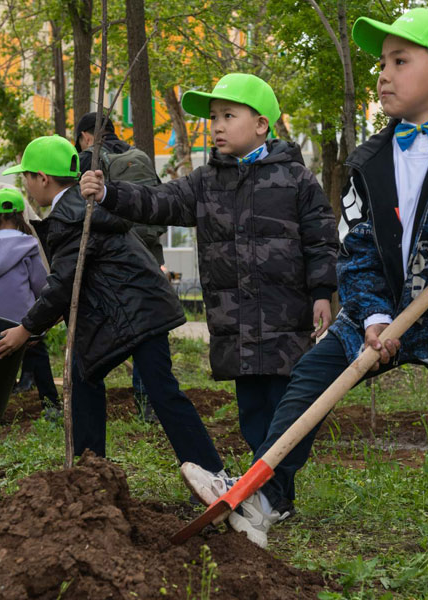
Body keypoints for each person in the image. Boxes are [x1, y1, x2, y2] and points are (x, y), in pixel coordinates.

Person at [178, 10, 428, 576]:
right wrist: (375, 315)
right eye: (381, 62)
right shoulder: (370, 159)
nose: (383, 74)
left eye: (399, 61)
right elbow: (354, 244)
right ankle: (261, 498)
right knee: (309, 382)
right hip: (380, 312)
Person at [80, 72, 339, 516]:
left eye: (228, 116)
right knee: (252, 412)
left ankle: (272, 493)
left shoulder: (296, 179)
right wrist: (108, 192)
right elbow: (157, 202)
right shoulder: (205, 182)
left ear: (261, 124)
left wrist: (322, 292)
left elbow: (321, 239)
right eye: (214, 118)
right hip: (234, 322)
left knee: (285, 409)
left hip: (285, 319)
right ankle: (269, 494)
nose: (217, 126)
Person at [0, 135, 225, 475]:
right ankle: (91, 471)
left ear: (42, 178)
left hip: (137, 313)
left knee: (160, 392)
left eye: (26, 176)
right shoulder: (82, 206)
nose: (25, 185)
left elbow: (62, 283)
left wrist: (25, 329)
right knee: (87, 377)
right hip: (132, 309)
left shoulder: (71, 217)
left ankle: (209, 472)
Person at [74, 112, 168, 423]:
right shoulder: (138, 155)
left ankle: (87, 399)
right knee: (149, 328)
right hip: (149, 256)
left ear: (86, 136)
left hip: (113, 258)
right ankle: (150, 404)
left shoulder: (90, 158)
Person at [0, 188, 61, 442]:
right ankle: (52, 408)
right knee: (38, 358)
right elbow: (39, 284)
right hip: (23, 321)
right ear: (20, 214)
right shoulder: (28, 245)